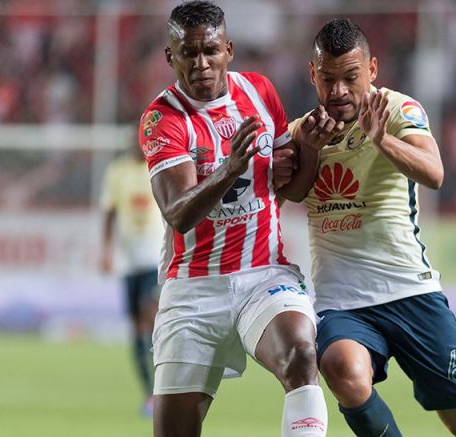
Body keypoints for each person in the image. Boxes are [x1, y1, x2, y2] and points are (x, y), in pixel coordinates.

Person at [274, 19, 456, 437]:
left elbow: (434, 173)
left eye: (351, 78)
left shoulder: (399, 110)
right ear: (313, 74)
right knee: (341, 369)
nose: (338, 91)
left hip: (410, 290)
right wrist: (309, 149)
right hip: (342, 301)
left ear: (373, 70)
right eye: (328, 79)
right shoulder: (301, 132)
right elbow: (289, 194)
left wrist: (380, 138)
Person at [139, 2, 327, 436]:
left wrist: (310, 151)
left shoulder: (260, 92)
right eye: (188, 53)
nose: (201, 63)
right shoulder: (162, 119)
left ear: (229, 49)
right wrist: (229, 168)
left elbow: (291, 189)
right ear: (171, 57)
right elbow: (178, 213)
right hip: (193, 288)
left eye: (210, 50)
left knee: (300, 355)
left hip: (264, 273)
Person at [99, 135, 165, 417]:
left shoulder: (159, 167)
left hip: (155, 258)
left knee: (146, 317)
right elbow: (109, 212)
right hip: (129, 262)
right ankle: (148, 393)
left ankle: (163, 392)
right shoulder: (117, 171)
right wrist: (106, 250)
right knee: (137, 330)